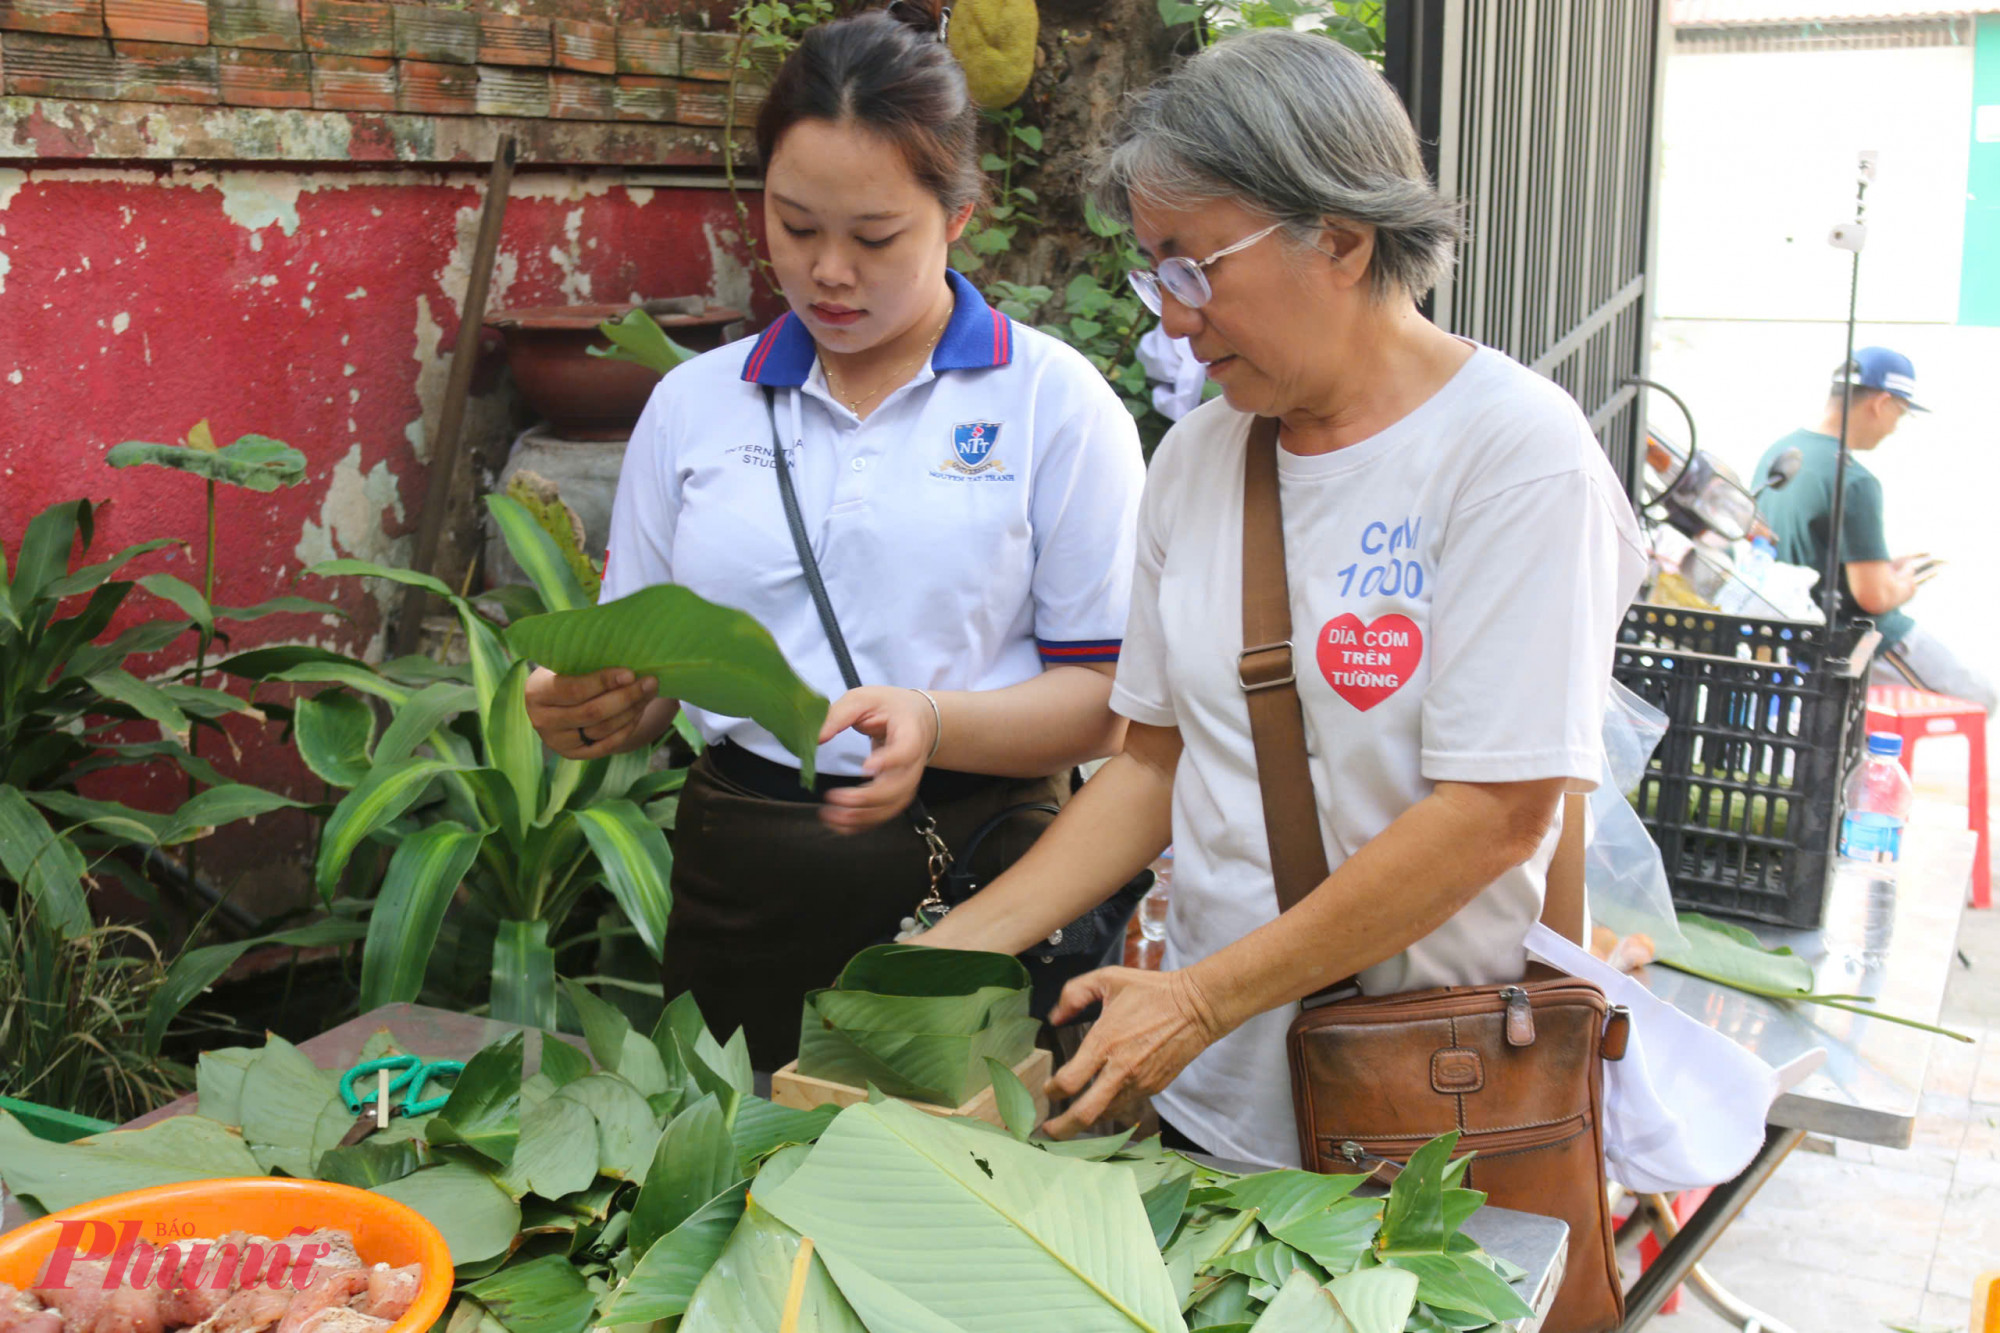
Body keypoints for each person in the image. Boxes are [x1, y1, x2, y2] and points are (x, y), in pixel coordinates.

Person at [916, 29, 1645, 1166]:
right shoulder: (1199, 457)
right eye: (1152, 268)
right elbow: (1153, 763)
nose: (1168, 315)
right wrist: (950, 952)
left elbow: (1492, 815)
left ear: (1340, 241)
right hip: (1209, 1103)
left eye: (1194, 266)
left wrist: (1201, 997)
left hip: (1423, 1117)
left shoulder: (1512, 456)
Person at [520, 0, 1146, 1067]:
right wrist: (584, 704)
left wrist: (934, 721)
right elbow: (650, 667)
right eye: (794, 226)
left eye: (873, 237)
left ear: (957, 217)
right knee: (734, 1179)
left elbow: (1113, 705)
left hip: (981, 869)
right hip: (744, 884)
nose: (827, 273)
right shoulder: (696, 406)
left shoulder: (1052, 402)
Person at [1754, 347, 1995, 713]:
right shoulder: (1854, 480)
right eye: (1900, 413)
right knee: (1982, 699)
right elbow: (1874, 597)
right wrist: (1907, 581)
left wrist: (1881, 565)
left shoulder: (1781, 452)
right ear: (1881, 403)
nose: (1895, 427)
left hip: (1794, 635)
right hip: (1858, 640)